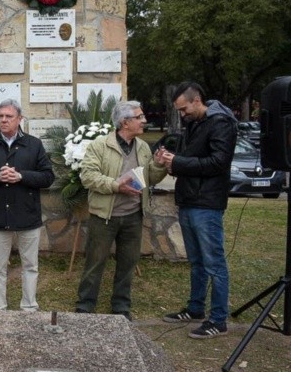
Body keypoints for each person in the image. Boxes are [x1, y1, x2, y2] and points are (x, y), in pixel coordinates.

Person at [158, 82, 237, 339]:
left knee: (214, 263)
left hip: (207, 203)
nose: (182, 115)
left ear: (196, 100)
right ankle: (195, 308)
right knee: (196, 262)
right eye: (179, 110)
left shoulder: (221, 123)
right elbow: (190, 158)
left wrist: (179, 162)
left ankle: (218, 320)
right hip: (189, 199)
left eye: (184, 109)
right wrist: (171, 162)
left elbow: (218, 162)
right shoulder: (193, 123)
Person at [75, 101, 167, 320]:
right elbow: (88, 177)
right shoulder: (100, 145)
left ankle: (121, 307)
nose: (144, 121)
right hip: (104, 217)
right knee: (95, 263)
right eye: (139, 117)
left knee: (128, 264)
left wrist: (158, 165)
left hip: (133, 216)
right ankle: (85, 306)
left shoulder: (142, 147)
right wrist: (116, 186)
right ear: (125, 122)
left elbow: (150, 178)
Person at [0, 99, 54, 312]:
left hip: (28, 215)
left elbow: (48, 177)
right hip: (0, 215)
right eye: (1, 116)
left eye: (9, 116)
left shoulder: (34, 144)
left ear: (20, 119)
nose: (4, 120)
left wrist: (21, 176)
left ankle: (29, 307)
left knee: (30, 266)